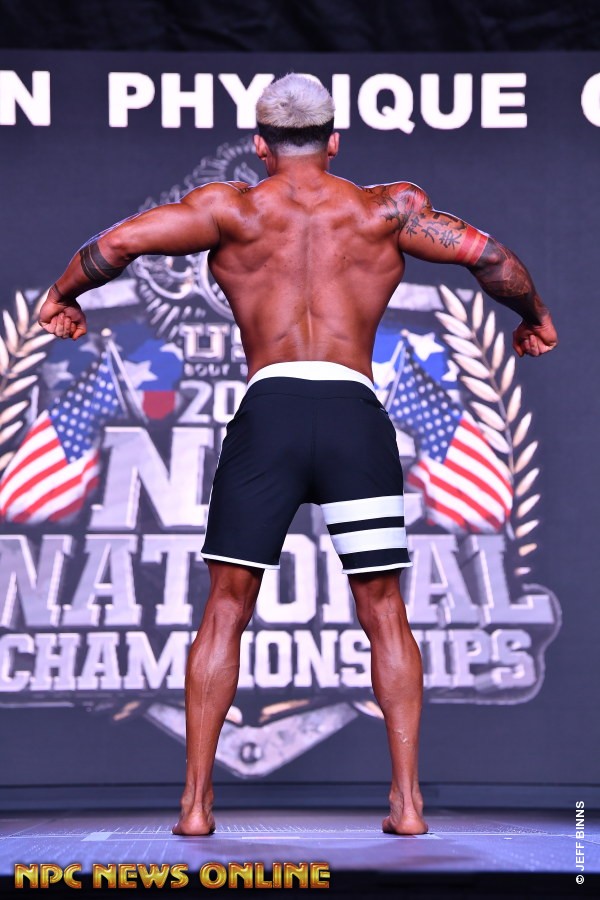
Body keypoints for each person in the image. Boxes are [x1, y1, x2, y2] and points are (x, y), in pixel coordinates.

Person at [39, 73, 558, 837]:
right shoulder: (387, 210)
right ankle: (408, 805)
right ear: (335, 140)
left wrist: (62, 296)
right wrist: (533, 315)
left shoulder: (231, 210)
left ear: (260, 145)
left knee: (225, 609)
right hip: (353, 416)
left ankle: (195, 809)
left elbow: (115, 245)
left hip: (271, 414)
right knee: (384, 611)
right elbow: (492, 258)